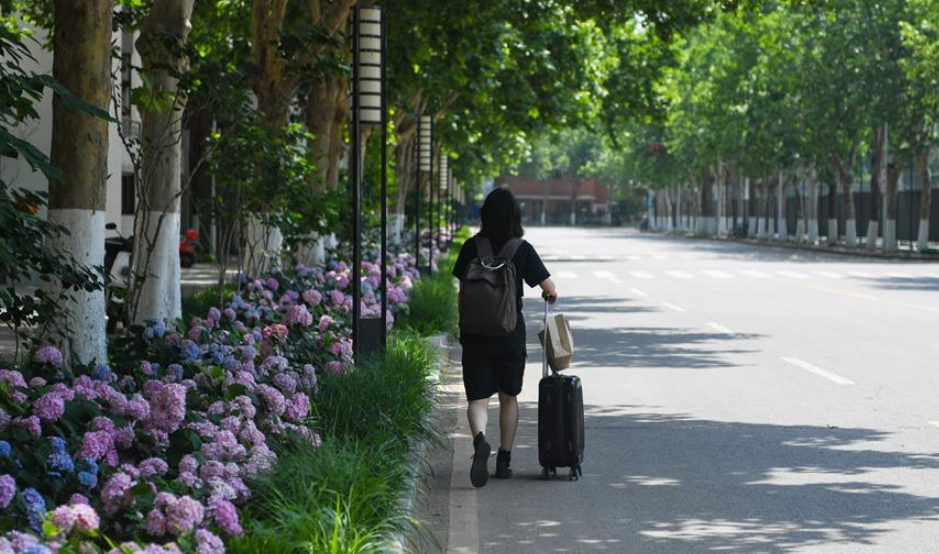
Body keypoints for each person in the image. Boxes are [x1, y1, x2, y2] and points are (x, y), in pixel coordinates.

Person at [452, 188, 558, 488]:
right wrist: (550, 295)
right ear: (515, 217)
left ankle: (480, 441)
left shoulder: (471, 246)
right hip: (509, 333)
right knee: (509, 396)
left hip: (474, 333)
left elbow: (462, 291)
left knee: (477, 399)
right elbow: (549, 288)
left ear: (484, 215)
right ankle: (504, 460)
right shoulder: (521, 249)